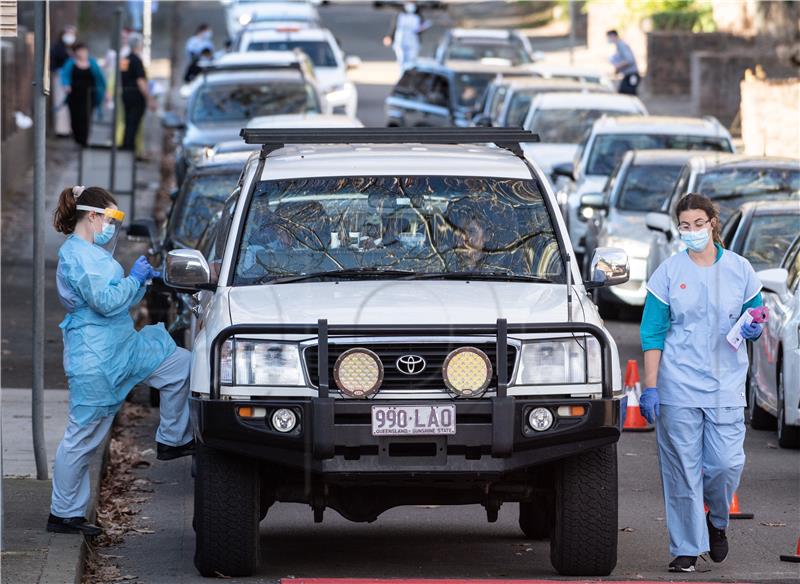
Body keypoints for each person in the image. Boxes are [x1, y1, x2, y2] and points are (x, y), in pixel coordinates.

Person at [47, 185, 194, 536]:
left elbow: (115, 299)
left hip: (121, 346)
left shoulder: (91, 253)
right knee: (83, 436)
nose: (113, 226)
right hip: (94, 356)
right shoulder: (76, 256)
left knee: (181, 365)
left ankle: (173, 438)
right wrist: (135, 280)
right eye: (111, 218)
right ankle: (63, 514)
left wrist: (142, 283)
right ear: (92, 215)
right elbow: (105, 301)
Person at [639, 193, 765, 573]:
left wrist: (756, 326)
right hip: (678, 384)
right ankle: (686, 549)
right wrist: (650, 386)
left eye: (698, 223)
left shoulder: (741, 270)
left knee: (725, 465)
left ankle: (717, 521)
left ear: (713, 222)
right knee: (681, 470)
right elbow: (652, 333)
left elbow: (755, 315)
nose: (692, 231)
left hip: (726, 385)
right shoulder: (668, 272)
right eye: (685, 226)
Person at [61, 43, 106, 147]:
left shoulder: (93, 63)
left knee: (86, 118)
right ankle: (77, 139)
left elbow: (100, 78)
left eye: (84, 50)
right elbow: (65, 76)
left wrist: (104, 92)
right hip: (74, 97)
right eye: (80, 50)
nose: (82, 53)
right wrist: (66, 85)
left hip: (89, 97)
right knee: (75, 119)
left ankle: (84, 141)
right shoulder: (71, 63)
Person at [120, 33, 155, 152]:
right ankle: (129, 148)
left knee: (128, 122)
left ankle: (126, 145)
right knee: (133, 123)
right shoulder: (137, 61)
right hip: (136, 96)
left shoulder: (124, 59)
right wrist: (149, 98)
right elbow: (141, 81)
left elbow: (123, 76)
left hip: (126, 94)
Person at [383, 3, 430, 71]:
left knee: (411, 60)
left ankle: (410, 74)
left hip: (413, 41)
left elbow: (421, 28)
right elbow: (394, 26)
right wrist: (390, 36)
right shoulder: (400, 14)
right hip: (401, 39)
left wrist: (421, 29)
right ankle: (403, 73)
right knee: (401, 59)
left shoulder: (418, 16)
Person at [50, 26, 77, 138]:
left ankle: (69, 129)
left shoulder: (73, 48)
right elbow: (53, 63)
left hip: (71, 79)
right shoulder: (57, 48)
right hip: (60, 78)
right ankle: (60, 130)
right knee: (60, 103)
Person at [606, 29, 639, 95]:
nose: (608, 39)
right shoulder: (619, 45)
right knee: (625, 93)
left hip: (632, 75)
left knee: (627, 94)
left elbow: (629, 60)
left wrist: (618, 66)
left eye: (609, 37)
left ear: (613, 36)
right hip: (628, 75)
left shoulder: (622, 45)